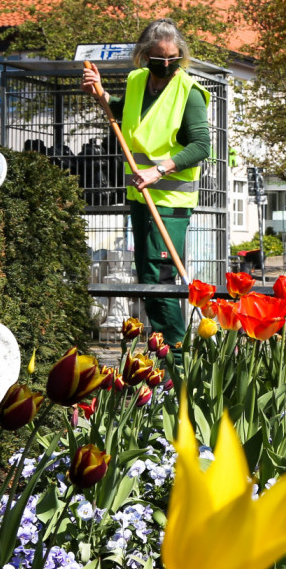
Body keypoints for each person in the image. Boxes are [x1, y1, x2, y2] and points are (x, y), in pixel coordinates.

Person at [82, 19, 210, 345]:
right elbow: (124, 113)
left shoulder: (188, 93)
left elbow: (201, 146)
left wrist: (159, 170)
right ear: (144, 55)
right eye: (158, 58)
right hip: (140, 198)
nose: (166, 64)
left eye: (173, 58)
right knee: (147, 278)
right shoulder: (137, 81)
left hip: (170, 201)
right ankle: (164, 353)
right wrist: (100, 92)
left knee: (160, 278)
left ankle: (176, 357)